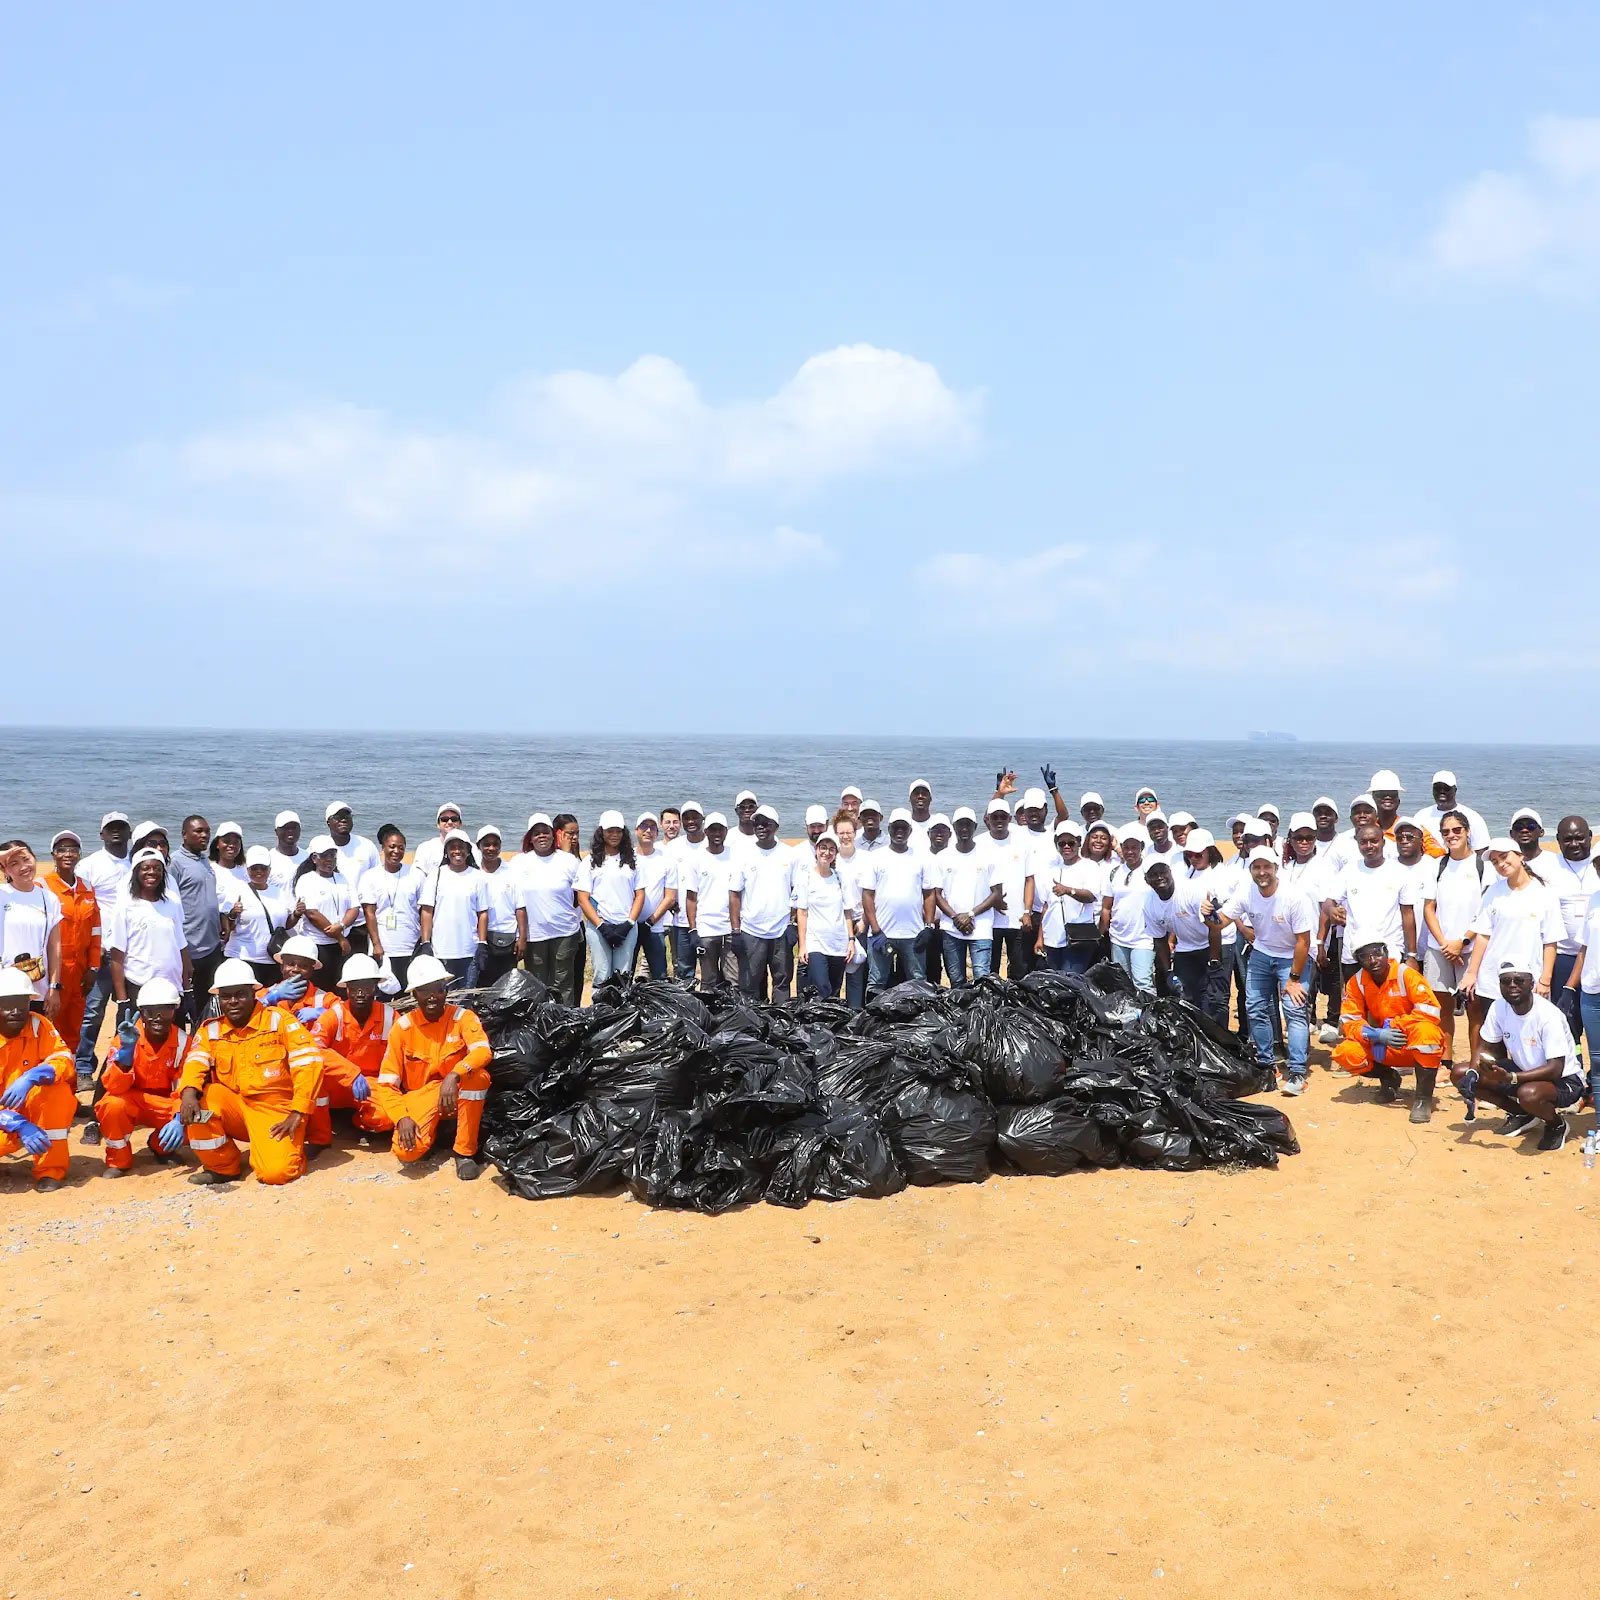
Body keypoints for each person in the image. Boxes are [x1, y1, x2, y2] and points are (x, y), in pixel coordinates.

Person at [178, 957, 324, 1186]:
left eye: (240, 994)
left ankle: (284, 1150)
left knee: (276, 1173)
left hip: (276, 1110)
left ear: (254, 993)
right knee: (205, 1097)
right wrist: (188, 1094)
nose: (233, 1002)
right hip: (235, 1106)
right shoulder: (211, 1030)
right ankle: (222, 1167)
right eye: (226, 996)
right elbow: (195, 1062)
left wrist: (299, 1111)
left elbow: (309, 1063)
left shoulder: (278, 1021)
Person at [367, 956, 493, 1178]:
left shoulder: (463, 1018)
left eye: (438, 989)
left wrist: (455, 1074)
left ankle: (464, 1151)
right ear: (414, 995)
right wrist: (401, 1117)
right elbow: (387, 1084)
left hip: (456, 1092)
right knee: (407, 1152)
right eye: (424, 990)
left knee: (478, 1077)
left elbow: (483, 1051)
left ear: (446, 991)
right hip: (422, 1096)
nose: (432, 996)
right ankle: (435, 1133)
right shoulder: (402, 1028)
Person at [1216, 847, 1316, 1095]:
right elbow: (1221, 922)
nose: (1262, 872)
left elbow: (1304, 941)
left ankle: (1297, 1072)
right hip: (1262, 952)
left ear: (1275, 868)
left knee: (1294, 1009)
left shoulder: (1293, 896)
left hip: (1293, 956)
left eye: (1266, 867)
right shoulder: (1246, 891)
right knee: (1255, 1007)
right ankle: (1267, 1066)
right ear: (1250, 870)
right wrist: (1207, 914)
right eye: (1257, 867)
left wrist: (1293, 979)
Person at [1452, 962, 1581, 1152]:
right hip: (1523, 1071)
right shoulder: (1499, 1007)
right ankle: (1522, 1114)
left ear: (1531, 983)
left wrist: (1512, 1077)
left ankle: (1556, 1125)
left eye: (1519, 980)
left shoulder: (1548, 1015)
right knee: (1460, 1073)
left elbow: (1555, 1069)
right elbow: (1484, 1045)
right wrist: (1472, 1073)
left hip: (1564, 1080)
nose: (1512, 985)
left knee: (1528, 1094)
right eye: (1506, 981)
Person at [1460, 840, 1564, 1050]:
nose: (1501, 864)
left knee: (1530, 1042)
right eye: (1495, 861)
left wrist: (1545, 980)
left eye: (1504, 856)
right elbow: (1483, 935)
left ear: (1520, 856)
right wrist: (1471, 973)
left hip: (1528, 981)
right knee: (1494, 1045)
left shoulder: (1545, 893)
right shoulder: (1493, 892)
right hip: (1493, 981)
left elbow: (1550, 941)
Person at [1330, 939, 1445, 1121]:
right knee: (1346, 1052)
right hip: (1383, 1044)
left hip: (1412, 1042)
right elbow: (1349, 1021)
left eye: (1377, 953)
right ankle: (1388, 1077)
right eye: (1365, 956)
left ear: (1386, 952)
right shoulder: (1356, 982)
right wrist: (1374, 1034)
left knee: (1427, 1032)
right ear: (1358, 960)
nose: (1373, 960)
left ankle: (1423, 1099)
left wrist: (1394, 1026)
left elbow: (1430, 1011)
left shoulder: (1406, 974)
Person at [94, 976, 191, 1175]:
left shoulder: (183, 1043)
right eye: (150, 1012)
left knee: (197, 1116)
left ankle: (161, 1145)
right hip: (131, 1101)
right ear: (141, 1013)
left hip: (165, 1104)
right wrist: (126, 1054)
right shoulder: (126, 1038)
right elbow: (113, 1087)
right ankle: (118, 1160)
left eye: (165, 1010)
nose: (158, 1018)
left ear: (174, 1011)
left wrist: (179, 1118)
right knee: (111, 1105)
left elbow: (184, 1089)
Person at [301, 953, 393, 1149]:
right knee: (312, 1081)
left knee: (386, 1118)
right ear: (347, 989)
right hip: (336, 1081)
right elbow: (314, 1048)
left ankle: (355, 1122)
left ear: (375, 987)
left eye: (366, 986)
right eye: (354, 987)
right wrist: (351, 1073)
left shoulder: (389, 1016)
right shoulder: (334, 1015)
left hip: (369, 1083)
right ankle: (320, 1136)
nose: (360, 993)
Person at [1420, 811, 1487, 1072]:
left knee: (1475, 1009)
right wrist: (1446, 944)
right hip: (1439, 949)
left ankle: (1476, 1065)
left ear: (1467, 831)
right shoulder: (1436, 866)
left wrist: (1463, 941)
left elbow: (1486, 911)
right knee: (1441, 1008)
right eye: (1446, 832)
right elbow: (1429, 908)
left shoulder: (1483, 866)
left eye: (1457, 830)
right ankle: (1445, 1063)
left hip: (1472, 949)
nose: (1452, 835)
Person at [0, 968, 76, 1190]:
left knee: (57, 1092)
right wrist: (16, 1123)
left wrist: (33, 1076)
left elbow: (63, 1059)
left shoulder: (38, 1025)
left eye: (21, 1004)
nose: (16, 1012)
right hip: (5, 1114)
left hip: (28, 1103)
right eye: (7, 1005)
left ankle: (50, 1169)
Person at [74, 811, 134, 1081]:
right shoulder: (89, 865)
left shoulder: (138, 862)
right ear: (101, 834)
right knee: (92, 1013)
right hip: (101, 952)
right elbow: (80, 910)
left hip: (131, 953)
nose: (116, 832)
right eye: (111, 828)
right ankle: (83, 1067)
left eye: (121, 827)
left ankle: (119, 1066)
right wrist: (89, 947)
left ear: (130, 832)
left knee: (127, 1012)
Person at [1321, 823, 1417, 986]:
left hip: (1389, 950)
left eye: (1374, 841)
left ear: (1383, 842)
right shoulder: (1349, 870)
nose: (1369, 846)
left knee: (1389, 1000)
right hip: (1354, 952)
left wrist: (1412, 955)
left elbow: (1408, 915)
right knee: (1356, 999)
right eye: (1363, 842)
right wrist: (1331, 910)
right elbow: (1328, 902)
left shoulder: (1399, 872)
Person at [107, 849, 190, 1019]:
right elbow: (116, 958)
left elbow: (181, 947)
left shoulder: (172, 902)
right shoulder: (125, 907)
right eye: (145, 868)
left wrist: (187, 989)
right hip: (139, 986)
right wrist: (122, 1001)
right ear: (136, 872)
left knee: (174, 1033)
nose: (152, 872)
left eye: (157, 868)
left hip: (172, 987)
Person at [859, 810, 937, 991]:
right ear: (889, 829)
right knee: (876, 982)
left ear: (910, 830)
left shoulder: (921, 857)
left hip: (913, 933)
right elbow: (867, 895)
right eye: (895, 827)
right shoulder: (876, 857)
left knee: (917, 981)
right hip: (882, 933)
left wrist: (928, 926)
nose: (899, 831)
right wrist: (876, 930)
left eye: (903, 827)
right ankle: (875, 1011)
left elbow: (929, 894)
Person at [40, 830, 101, 1053]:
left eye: (73, 849)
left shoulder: (88, 888)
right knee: (49, 1026)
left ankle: (70, 1071)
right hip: (54, 972)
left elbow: (95, 931)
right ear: (53, 855)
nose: (68, 854)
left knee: (74, 1028)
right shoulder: (42, 887)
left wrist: (93, 967)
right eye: (62, 849)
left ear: (79, 855)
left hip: (80, 973)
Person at [514, 814, 585, 1006]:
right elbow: (514, 899)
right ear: (530, 838)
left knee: (563, 982)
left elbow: (580, 894)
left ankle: (564, 1018)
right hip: (534, 934)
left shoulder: (569, 861)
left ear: (554, 835)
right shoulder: (519, 862)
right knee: (537, 982)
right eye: (536, 833)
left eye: (545, 832)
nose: (541, 836)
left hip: (565, 933)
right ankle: (539, 1018)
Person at [1541, 817, 1597, 1059]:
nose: (1574, 843)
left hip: (1595, 959)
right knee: (1566, 1019)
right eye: (1567, 839)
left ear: (1590, 836)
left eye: (1579, 838)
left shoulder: (1597, 863)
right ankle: (1575, 1071)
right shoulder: (1549, 868)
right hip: (1563, 957)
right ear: (1558, 840)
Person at [729, 806, 797, 1001]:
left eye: (766, 824)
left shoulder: (790, 854)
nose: (761, 827)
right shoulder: (743, 854)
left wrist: (792, 924)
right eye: (757, 823)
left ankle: (780, 1018)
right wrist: (736, 931)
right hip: (751, 931)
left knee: (782, 983)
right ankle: (752, 1019)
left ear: (776, 827)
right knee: (749, 986)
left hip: (781, 931)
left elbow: (797, 892)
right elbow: (734, 894)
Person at [1145, 859, 1225, 1015]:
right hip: (1185, 947)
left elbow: (1214, 927)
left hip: (1213, 943)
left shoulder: (1190, 890)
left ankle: (1217, 1031)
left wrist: (1214, 961)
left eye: (1163, 872)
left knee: (1214, 999)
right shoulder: (1149, 904)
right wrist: (1168, 971)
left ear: (1170, 873)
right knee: (1185, 997)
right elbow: (1159, 940)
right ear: (1147, 880)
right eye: (1154, 875)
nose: (1159, 877)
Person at [934, 807, 1003, 985]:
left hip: (981, 927)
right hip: (951, 927)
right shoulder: (943, 857)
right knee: (956, 980)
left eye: (968, 824)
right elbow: (937, 894)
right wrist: (955, 917)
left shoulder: (989, 855)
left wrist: (970, 914)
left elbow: (996, 893)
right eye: (960, 825)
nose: (964, 828)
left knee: (981, 978)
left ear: (975, 827)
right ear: (954, 827)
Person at [577, 811, 644, 989]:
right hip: (599, 927)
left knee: (622, 977)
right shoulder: (590, 861)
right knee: (602, 975)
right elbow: (583, 899)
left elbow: (640, 895)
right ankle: (601, 1007)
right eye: (610, 831)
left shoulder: (634, 860)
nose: (614, 835)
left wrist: (629, 924)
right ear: (601, 832)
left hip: (627, 927)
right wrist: (601, 926)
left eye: (618, 831)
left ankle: (620, 1008)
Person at [166, 815, 225, 1012]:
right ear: (184, 835)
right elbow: (168, 903)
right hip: (190, 948)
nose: (205, 835)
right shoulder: (175, 862)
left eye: (207, 831)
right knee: (185, 1005)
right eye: (198, 831)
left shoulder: (204, 860)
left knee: (208, 1004)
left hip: (212, 946)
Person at [417, 831, 489, 990]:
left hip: (469, 951)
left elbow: (482, 913)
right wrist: (426, 942)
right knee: (444, 997)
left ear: (468, 850)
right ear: (446, 851)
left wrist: (482, 943)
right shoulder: (436, 875)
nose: (457, 851)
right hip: (440, 951)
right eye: (452, 847)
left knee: (466, 997)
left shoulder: (477, 877)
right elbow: (427, 911)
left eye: (461, 847)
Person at [0, 841, 63, 1021]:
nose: (23, 867)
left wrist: (54, 987)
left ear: (35, 858)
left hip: (37, 987)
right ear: (4, 869)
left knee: (36, 1034)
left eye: (26, 859)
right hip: (4, 987)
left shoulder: (48, 898)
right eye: (14, 863)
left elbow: (54, 947)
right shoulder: (2, 894)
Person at [1034, 822, 1106, 979]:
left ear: (1079, 842)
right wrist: (1040, 938)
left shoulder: (1090, 866)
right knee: (1055, 981)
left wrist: (1068, 890)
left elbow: (1090, 896)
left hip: (1078, 937)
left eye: (1071, 843)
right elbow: (1046, 906)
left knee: (1071, 981)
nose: (1066, 847)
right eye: (1062, 843)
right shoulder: (1051, 869)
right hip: (1052, 937)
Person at [359, 825, 426, 990]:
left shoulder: (415, 874)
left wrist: (425, 942)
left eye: (401, 847)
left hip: (411, 945)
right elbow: (369, 913)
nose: (396, 851)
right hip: (384, 947)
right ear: (383, 848)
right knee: (385, 992)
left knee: (410, 991)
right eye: (392, 846)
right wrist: (376, 944)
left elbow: (425, 910)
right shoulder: (370, 876)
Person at [293, 835, 360, 993]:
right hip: (319, 945)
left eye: (332, 855)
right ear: (314, 858)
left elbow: (354, 908)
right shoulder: (306, 880)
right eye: (324, 856)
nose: (329, 859)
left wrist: (341, 926)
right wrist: (340, 937)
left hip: (341, 945)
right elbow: (312, 913)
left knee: (340, 989)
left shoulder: (342, 878)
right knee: (319, 989)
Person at [794, 833, 858, 999]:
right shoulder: (806, 878)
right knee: (822, 987)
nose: (826, 852)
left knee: (835, 991)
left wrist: (851, 940)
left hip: (838, 944)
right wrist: (803, 946)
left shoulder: (841, 878)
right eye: (823, 848)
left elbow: (847, 912)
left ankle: (830, 1016)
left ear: (835, 853)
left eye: (831, 849)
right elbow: (802, 913)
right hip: (816, 943)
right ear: (816, 850)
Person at [684, 814, 741, 991]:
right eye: (713, 829)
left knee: (734, 980)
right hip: (706, 929)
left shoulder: (735, 856)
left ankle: (733, 1008)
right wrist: (693, 929)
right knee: (708, 980)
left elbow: (737, 894)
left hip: (730, 930)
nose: (717, 833)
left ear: (726, 831)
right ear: (706, 831)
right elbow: (691, 897)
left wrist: (737, 929)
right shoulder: (696, 858)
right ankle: (709, 1008)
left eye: (720, 829)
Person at [980, 799, 1035, 979]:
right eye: (994, 816)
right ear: (988, 818)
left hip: (1017, 919)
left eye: (1003, 816)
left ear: (1010, 818)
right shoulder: (978, 843)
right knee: (990, 971)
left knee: (1019, 970)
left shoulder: (1022, 842)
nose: (999, 820)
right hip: (988, 919)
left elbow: (1029, 880)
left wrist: (1027, 912)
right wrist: (990, 902)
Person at [228, 846, 295, 984]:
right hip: (244, 958)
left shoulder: (280, 893)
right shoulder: (237, 890)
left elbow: (287, 924)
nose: (259, 871)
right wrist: (233, 914)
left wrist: (298, 914)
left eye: (263, 868)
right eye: (254, 868)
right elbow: (228, 928)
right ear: (247, 869)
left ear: (269, 870)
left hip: (273, 958)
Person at [1101, 825, 1155, 992]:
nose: (1130, 852)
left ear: (1141, 848)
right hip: (1118, 938)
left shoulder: (1150, 872)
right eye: (1126, 847)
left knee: (1142, 982)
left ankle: (1149, 1009)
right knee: (1122, 983)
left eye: (1134, 848)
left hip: (1144, 938)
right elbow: (1106, 907)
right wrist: (1104, 931)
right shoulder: (1114, 873)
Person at [473, 826, 524, 988]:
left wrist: (521, 938)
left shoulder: (511, 871)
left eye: (495, 844)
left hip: (507, 937)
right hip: (479, 937)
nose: (491, 848)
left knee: (506, 986)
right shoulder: (473, 872)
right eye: (486, 844)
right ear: (479, 846)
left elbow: (520, 907)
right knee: (481, 985)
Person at [664, 802, 706, 982]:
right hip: (681, 920)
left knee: (711, 971)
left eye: (695, 817)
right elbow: (666, 879)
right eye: (686, 818)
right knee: (684, 971)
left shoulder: (713, 843)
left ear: (702, 819)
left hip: (709, 921)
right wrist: (670, 902)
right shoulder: (673, 847)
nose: (691, 821)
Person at [633, 813, 677, 980]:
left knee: (660, 977)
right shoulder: (627, 858)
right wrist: (631, 921)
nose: (648, 831)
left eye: (652, 828)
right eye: (644, 827)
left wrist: (650, 922)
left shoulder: (666, 860)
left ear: (657, 833)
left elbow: (670, 897)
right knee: (624, 974)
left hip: (655, 928)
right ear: (636, 831)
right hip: (630, 927)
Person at [832, 814, 870, 1009]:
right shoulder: (832, 859)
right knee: (836, 971)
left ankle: (855, 1012)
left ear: (855, 833)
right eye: (841, 833)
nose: (845, 836)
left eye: (849, 832)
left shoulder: (865, 859)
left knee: (856, 972)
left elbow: (871, 893)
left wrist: (864, 921)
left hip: (859, 921)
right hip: (837, 923)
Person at [324, 802, 380, 925]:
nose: (344, 820)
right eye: (338, 817)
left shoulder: (366, 846)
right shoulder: (320, 847)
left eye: (347, 816)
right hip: (330, 922)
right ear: (328, 822)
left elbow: (378, 881)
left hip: (362, 920)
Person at [1415, 772, 1488, 852]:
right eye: (1437, 788)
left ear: (1455, 790)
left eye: (1446, 788)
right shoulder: (1420, 816)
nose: (1442, 791)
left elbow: (1481, 851)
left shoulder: (1473, 817)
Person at [414, 803, 471, 877]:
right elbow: (417, 876)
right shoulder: (425, 848)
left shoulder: (472, 848)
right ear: (438, 824)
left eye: (454, 819)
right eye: (444, 819)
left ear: (460, 824)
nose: (450, 822)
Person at [266, 810, 306, 897]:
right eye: (285, 828)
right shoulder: (268, 859)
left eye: (294, 827)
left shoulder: (308, 858)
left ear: (300, 830)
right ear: (276, 831)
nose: (290, 831)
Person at [728, 791, 761, 862]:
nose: (747, 810)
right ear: (736, 810)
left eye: (751, 806)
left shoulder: (766, 837)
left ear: (757, 809)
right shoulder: (728, 837)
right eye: (742, 807)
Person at [907, 781, 935, 850]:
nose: (920, 796)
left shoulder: (939, 825)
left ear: (930, 798)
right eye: (916, 793)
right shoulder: (902, 826)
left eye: (924, 794)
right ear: (910, 799)